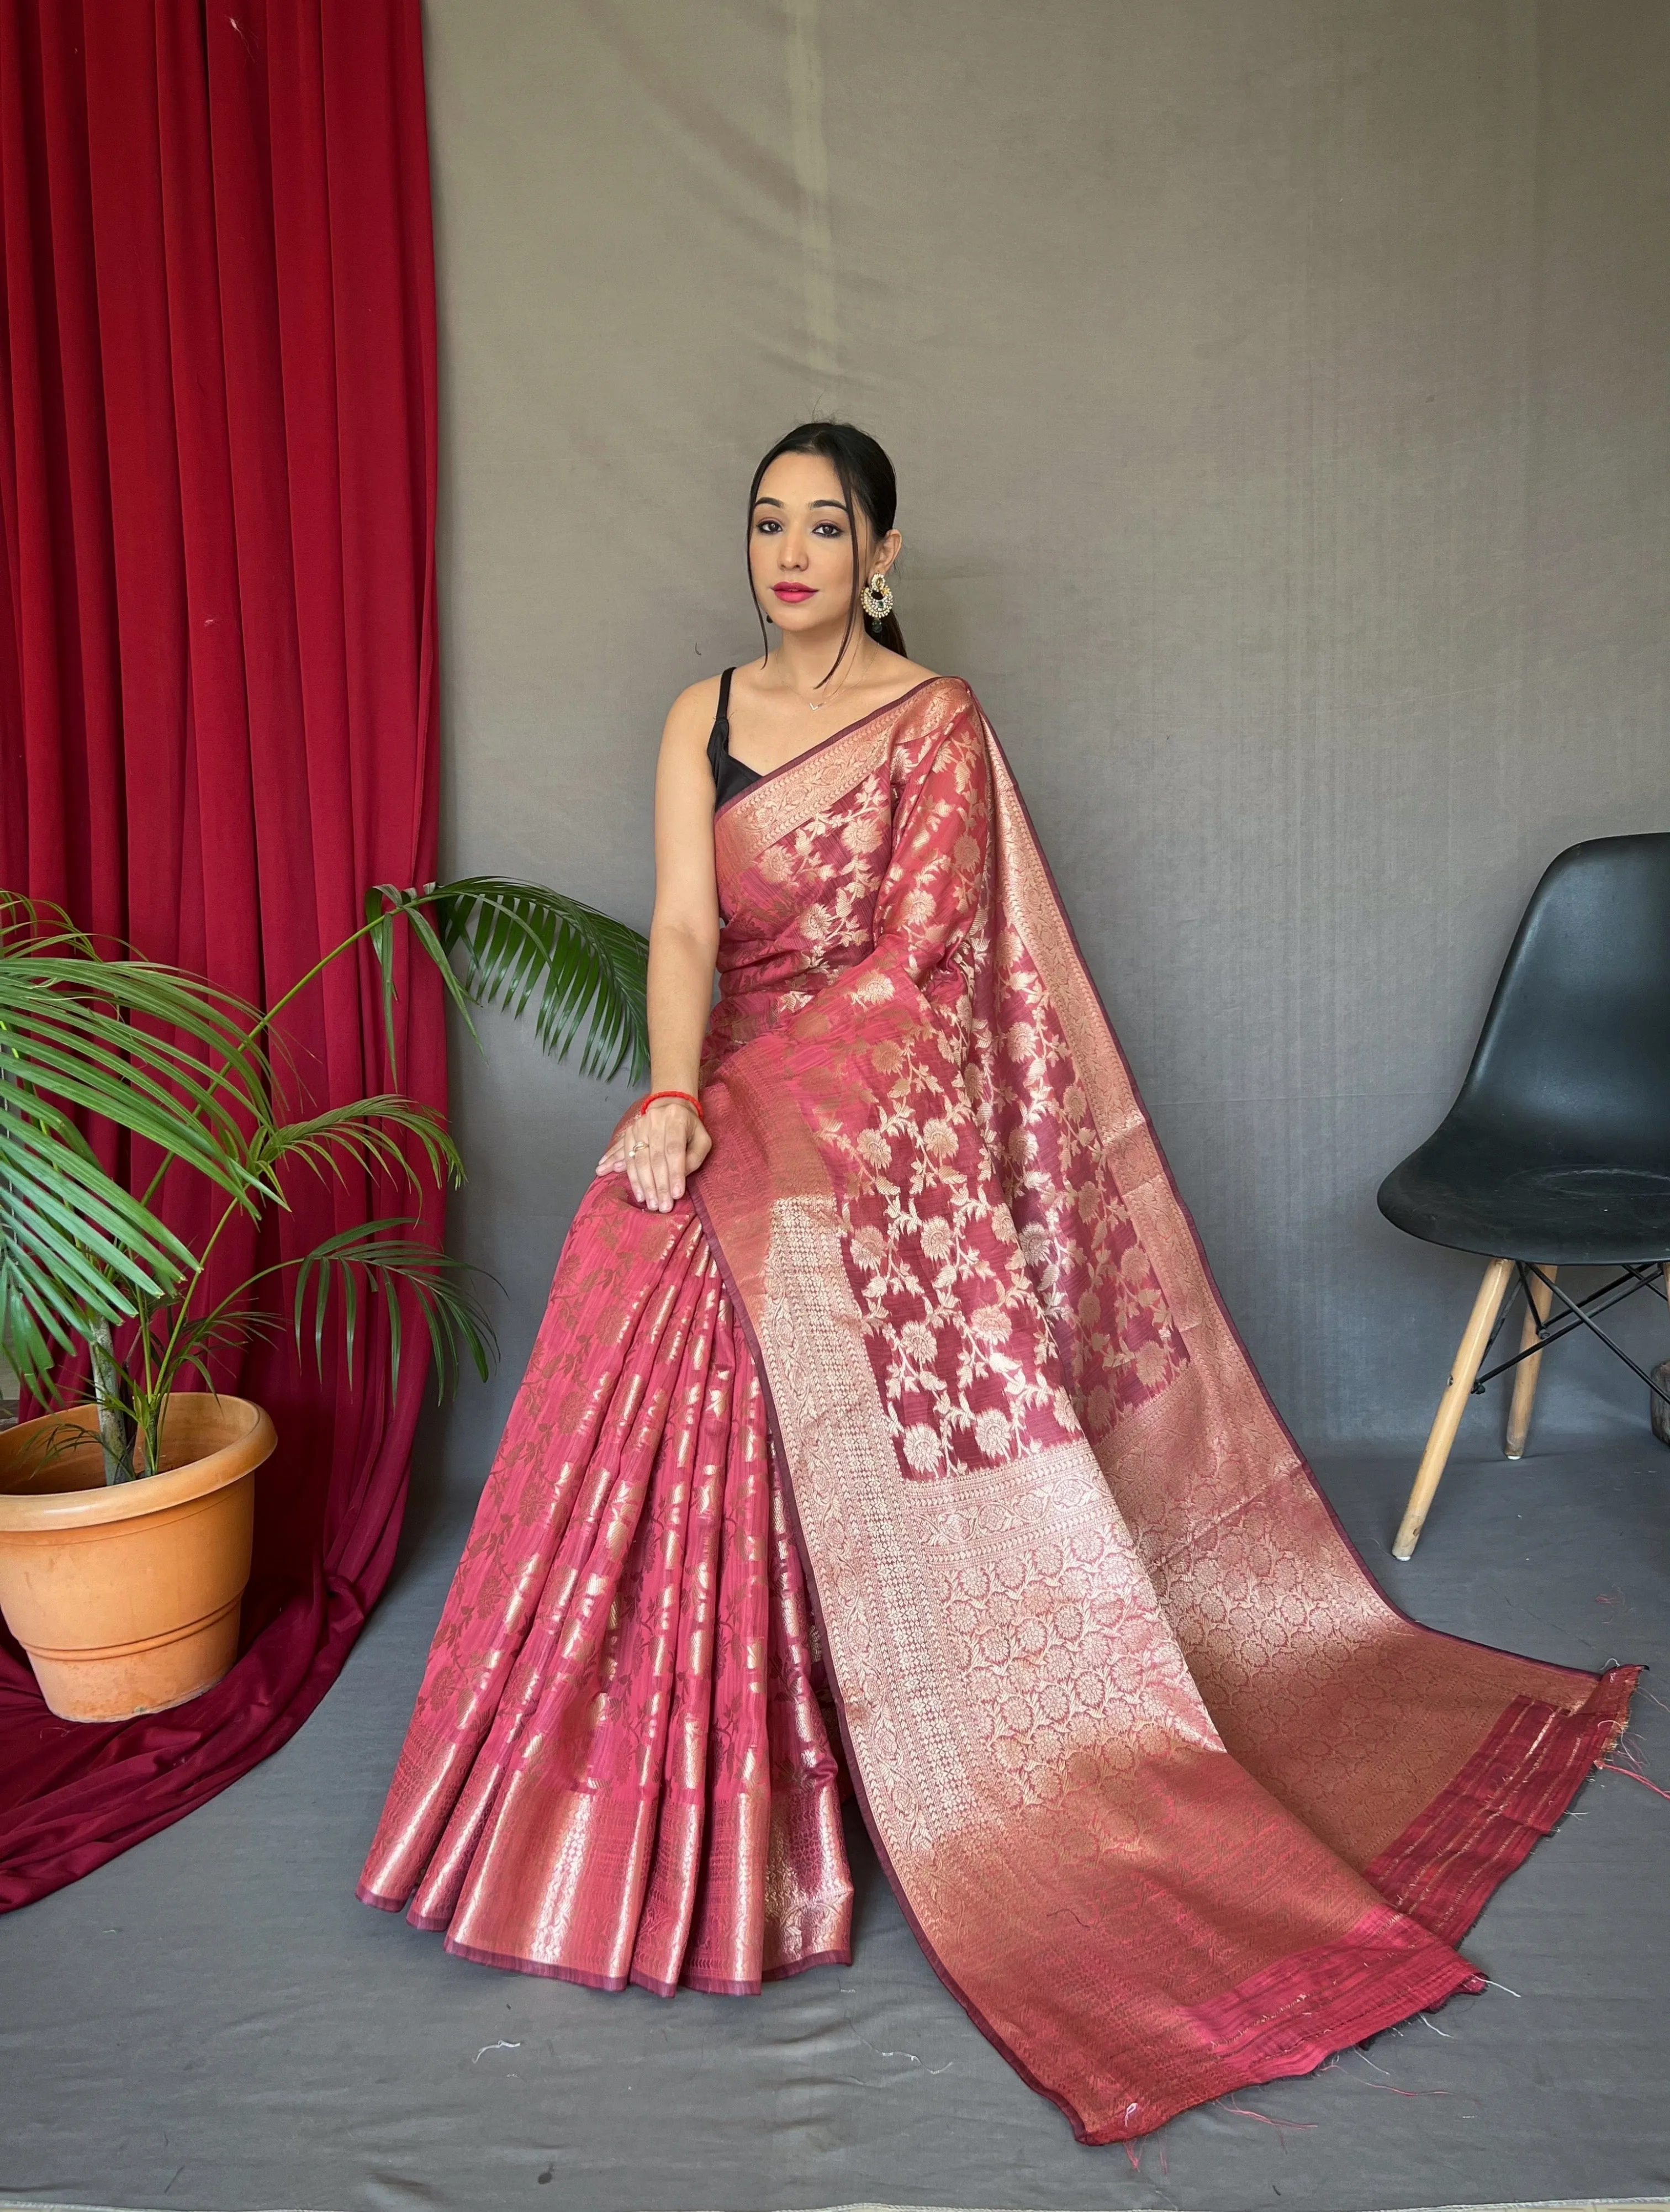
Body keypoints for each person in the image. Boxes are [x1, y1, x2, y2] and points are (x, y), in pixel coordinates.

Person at [359, 421, 1634, 2144]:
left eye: (827, 524)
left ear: (881, 551)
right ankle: (609, 1799)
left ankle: (822, 1766)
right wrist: (671, 1098)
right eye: (767, 522)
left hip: (877, 1114)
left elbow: (927, 969)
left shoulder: (936, 723)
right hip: (731, 1094)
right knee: (632, 1246)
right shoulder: (702, 717)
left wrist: (758, 1114)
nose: (791, 551)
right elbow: (680, 932)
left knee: (749, 1278)